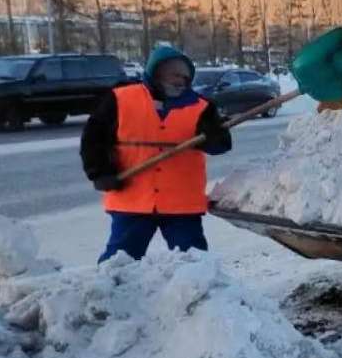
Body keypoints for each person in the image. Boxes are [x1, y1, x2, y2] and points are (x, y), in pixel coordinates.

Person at [81, 46, 232, 263]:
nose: (181, 80)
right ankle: (105, 296)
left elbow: (220, 146)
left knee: (194, 266)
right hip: (132, 200)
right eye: (175, 74)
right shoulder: (120, 99)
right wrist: (99, 172)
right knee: (118, 264)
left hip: (181, 204)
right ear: (156, 73)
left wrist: (216, 135)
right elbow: (93, 139)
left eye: (185, 76)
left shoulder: (202, 107)